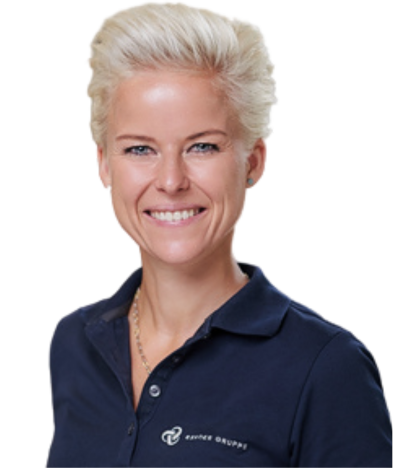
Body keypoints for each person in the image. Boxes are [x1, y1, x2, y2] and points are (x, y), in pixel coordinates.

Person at [46, 2, 392, 467]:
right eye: (140, 149)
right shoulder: (74, 343)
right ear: (104, 163)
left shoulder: (327, 368)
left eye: (203, 146)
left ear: (253, 162)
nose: (171, 181)